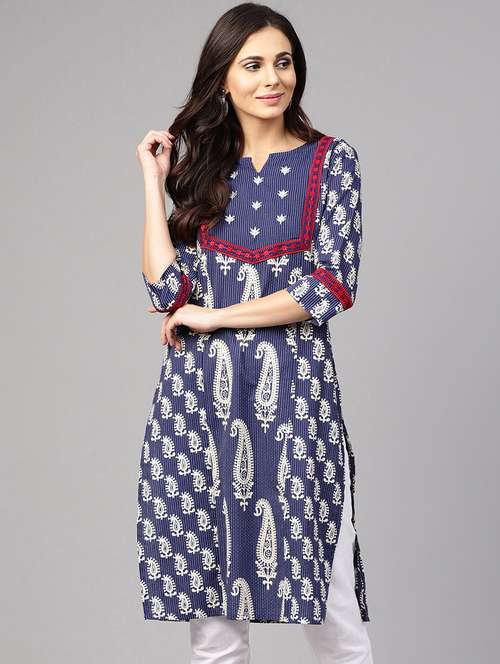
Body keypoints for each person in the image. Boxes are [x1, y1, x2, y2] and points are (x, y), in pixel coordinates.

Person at [135, 3, 374, 662]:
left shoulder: (332, 162)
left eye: (283, 62)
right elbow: (166, 292)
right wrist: (154, 185)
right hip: (200, 409)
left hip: (295, 402)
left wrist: (217, 316)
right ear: (223, 78)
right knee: (215, 630)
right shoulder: (202, 172)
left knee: (334, 617)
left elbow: (330, 287)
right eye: (254, 64)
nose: (273, 78)